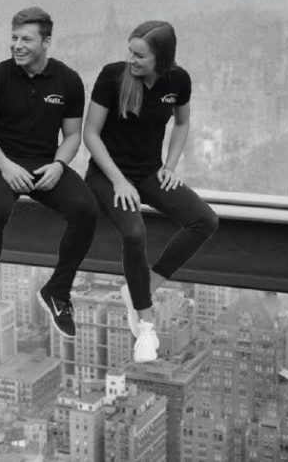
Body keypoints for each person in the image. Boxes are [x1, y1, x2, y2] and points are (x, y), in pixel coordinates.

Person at [83, 21, 219, 363]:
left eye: (139, 55)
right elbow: (91, 134)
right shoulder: (112, 77)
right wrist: (118, 180)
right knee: (134, 232)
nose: (131, 59)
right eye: (130, 51)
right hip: (106, 175)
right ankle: (146, 325)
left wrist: (170, 166)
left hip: (148, 173)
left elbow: (182, 122)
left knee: (205, 220)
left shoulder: (178, 81)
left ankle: (140, 288)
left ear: (161, 57)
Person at [0, 7, 99, 338]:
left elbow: (72, 135)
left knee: (87, 210)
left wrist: (59, 165)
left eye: (26, 39)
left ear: (46, 41)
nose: (17, 45)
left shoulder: (68, 80)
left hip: (44, 163)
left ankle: (58, 290)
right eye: (14, 38)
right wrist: (6, 166)